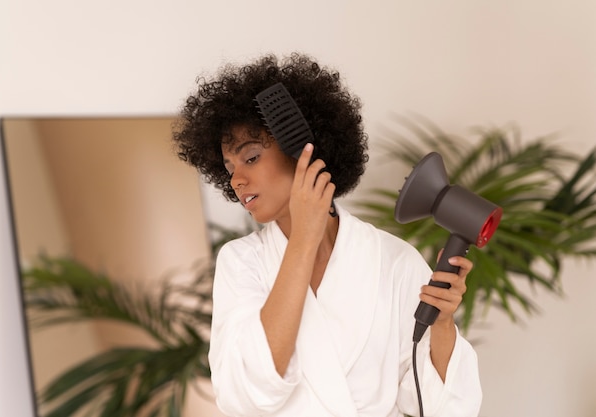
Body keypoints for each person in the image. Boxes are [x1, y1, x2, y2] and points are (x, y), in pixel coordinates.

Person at [172, 52, 482, 417]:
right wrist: (303, 239)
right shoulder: (241, 262)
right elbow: (246, 394)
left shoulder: (394, 261)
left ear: (303, 151)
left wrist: (443, 323)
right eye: (229, 167)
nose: (236, 179)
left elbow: (436, 407)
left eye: (251, 157)